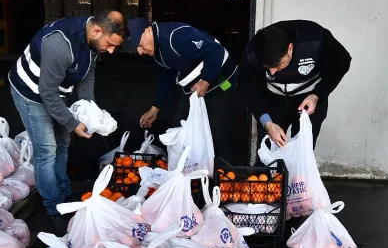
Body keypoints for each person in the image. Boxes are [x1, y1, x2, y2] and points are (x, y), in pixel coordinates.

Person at [8, 11, 128, 233]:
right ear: (97, 30)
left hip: (56, 91)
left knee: (63, 143)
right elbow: (47, 93)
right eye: (110, 44)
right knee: (47, 150)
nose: (111, 51)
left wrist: (89, 111)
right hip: (31, 92)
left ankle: (64, 191)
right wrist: (73, 123)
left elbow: (87, 78)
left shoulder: (93, 44)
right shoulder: (60, 45)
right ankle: (53, 207)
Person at [125, 18, 240, 165]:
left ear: (148, 31)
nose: (141, 52)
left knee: (218, 128)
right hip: (193, 86)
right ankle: (186, 171)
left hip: (221, 79)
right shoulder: (156, 50)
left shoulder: (176, 37)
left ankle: (226, 172)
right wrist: (155, 109)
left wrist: (207, 79)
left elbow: (215, 51)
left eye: (140, 45)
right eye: (137, 49)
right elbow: (167, 77)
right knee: (178, 127)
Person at [240, 20, 351, 161]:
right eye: (267, 67)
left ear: (290, 49)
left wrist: (317, 95)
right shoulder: (253, 52)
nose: (272, 73)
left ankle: (297, 181)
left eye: (278, 65)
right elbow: (250, 89)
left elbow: (342, 63)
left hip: (309, 99)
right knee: (268, 153)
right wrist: (267, 123)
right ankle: (268, 177)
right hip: (273, 99)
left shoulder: (315, 40)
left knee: (303, 153)